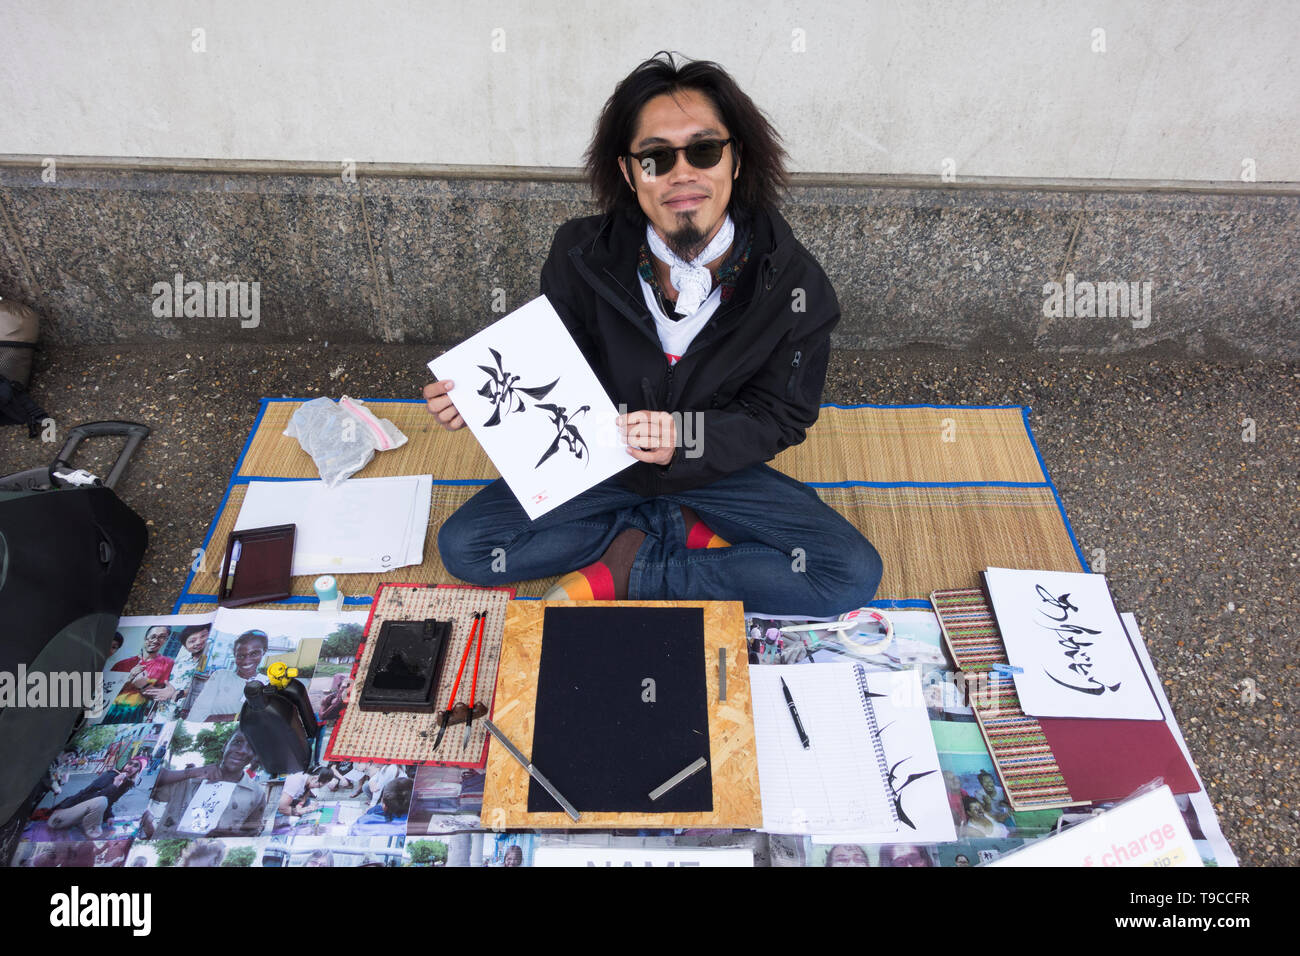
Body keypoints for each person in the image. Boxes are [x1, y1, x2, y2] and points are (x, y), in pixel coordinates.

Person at [428, 52, 882, 616]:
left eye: (704, 150)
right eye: (656, 158)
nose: (682, 174)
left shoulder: (795, 284)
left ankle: (633, 564)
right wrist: (478, 394)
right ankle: (669, 533)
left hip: (707, 466)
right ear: (629, 172)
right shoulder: (580, 253)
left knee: (848, 572)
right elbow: (550, 361)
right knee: (467, 548)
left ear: (735, 160)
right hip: (601, 460)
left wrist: (683, 437)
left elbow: (780, 417)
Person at [145, 730, 267, 839]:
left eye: (251, 747)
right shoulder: (189, 780)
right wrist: (193, 772)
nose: (242, 751)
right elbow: (146, 782)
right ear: (225, 746)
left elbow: (251, 832)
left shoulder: (257, 793)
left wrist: (231, 836)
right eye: (237, 742)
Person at [46, 756, 148, 839]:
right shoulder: (112, 775)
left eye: (135, 766)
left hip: (77, 819)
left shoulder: (125, 784)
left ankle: (93, 830)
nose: (130, 767)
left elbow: (110, 802)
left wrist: (109, 816)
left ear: (138, 771)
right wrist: (114, 785)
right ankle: (93, 833)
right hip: (59, 818)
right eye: (130, 763)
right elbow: (87, 796)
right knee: (102, 801)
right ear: (126, 764)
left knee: (104, 803)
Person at [185, 630, 268, 722]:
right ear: (234, 655)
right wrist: (240, 717)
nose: (246, 661)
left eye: (254, 654)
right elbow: (197, 714)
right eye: (240, 656)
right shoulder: (221, 676)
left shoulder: (267, 683)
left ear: (264, 652)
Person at [103, 626, 175, 723]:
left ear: (166, 640)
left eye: (162, 637)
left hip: (134, 716)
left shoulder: (168, 664)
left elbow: (160, 697)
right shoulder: (121, 664)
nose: (155, 640)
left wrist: (144, 686)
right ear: (145, 638)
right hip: (110, 712)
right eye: (152, 636)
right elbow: (105, 692)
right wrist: (128, 679)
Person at [144, 624, 211, 718]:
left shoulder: (212, 663)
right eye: (192, 641)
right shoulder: (178, 662)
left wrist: (180, 693)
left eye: (203, 636)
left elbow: (209, 690)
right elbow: (164, 689)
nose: (198, 642)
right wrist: (152, 712)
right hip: (161, 715)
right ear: (185, 646)